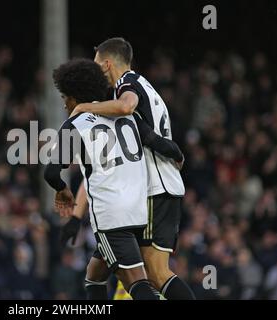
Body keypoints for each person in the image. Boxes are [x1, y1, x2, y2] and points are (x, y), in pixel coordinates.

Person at [66, 38, 195, 300]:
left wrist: (83, 108)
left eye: (96, 65)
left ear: (107, 64)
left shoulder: (127, 84)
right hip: (153, 188)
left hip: (153, 189)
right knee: (97, 271)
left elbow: (127, 105)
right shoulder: (146, 86)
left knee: (156, 273)